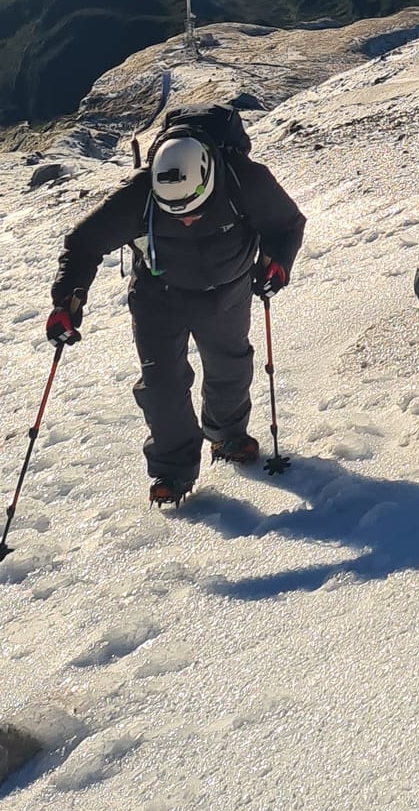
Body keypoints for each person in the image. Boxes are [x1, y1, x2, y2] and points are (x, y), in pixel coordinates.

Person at [46, 102, 306, 508]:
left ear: (207, 177)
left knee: (229, 365)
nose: (185, 220)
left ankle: (226, 435)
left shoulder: (243, 179)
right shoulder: (140, 193)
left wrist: (278, 265)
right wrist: (67, 300)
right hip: (158, 296)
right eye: (174, 212)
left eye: (192, 209)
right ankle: (172, 470)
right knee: (162, 384)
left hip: (228, 289)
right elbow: (83, 245)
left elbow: (286, 224)